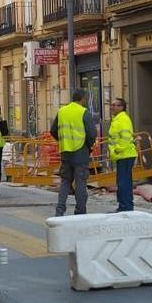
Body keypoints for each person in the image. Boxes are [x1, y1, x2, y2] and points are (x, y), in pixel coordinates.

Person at [51, 89, 98, 217]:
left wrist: (63, 141)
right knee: (81, 182)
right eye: (86, 99)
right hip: (81, 152)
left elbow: (53, 131)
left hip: (65, 152)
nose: (86, 101)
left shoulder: (62, 111)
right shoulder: (84, 112)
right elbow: (92, 134)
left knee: (65, 182)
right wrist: (88, 146)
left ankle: (59, 212)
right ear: (82, 99)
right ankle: (80, 211)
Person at [107, 98, 138, 212]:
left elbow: (125, 138)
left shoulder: (123, 119)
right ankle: (124, 206)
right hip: (122, 155)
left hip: (125, 154)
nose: (112, 107)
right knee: (123, 182)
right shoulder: (117, 119)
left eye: (114, 105)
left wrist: (116, 150)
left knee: (123, 183)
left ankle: (126, 207)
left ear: (121, 107)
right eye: (111, 105)